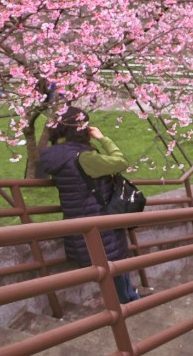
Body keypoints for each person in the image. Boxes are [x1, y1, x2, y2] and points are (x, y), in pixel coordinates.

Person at [36, 107, 140, 304]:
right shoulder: (84, 158)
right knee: (113, 263)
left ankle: (127, 296)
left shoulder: (51, 155)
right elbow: (120, 162)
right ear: (81, 128)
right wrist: (102, 138)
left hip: (76, 219)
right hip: (99, 219)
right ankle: (125, 301)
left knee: (109, 263)